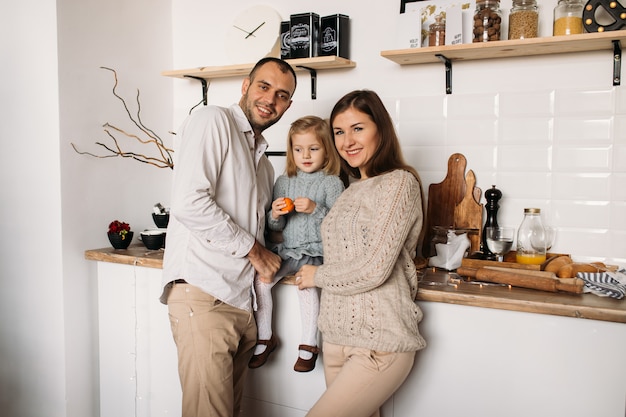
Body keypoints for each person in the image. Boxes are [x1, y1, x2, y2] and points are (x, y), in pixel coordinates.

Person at [159, 57, 297, 417]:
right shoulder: (213, 119)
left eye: (282, 95)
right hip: (203, 296)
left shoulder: (264, 164)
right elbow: (189, 202)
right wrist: (255, 251)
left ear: (289, 105)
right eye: (264, 87)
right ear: (245, 86)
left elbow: (262, 229)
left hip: (239, 304)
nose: (271, 99)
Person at [296, 90, 427, 417]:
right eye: (339, 132)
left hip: (379, 343)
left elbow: (375, 268)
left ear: (380, 129)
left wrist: (318, 276)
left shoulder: (399, 183)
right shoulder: (349, 189)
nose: (347, 141)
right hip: (337, 339)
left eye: (358, 128)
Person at [249, 116, 344, 373]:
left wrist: (315, 209)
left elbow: (339, 227)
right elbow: (275, 228)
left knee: (306, 286)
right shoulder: (284, 182)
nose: (306, 155)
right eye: (298, 149)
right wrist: (276, 215)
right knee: (261, 280)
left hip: (316, 252)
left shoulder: (332, 183)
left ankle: (309, 345)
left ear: (327, 150)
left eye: (313, 148)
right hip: (289, 250)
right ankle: (265, 337)